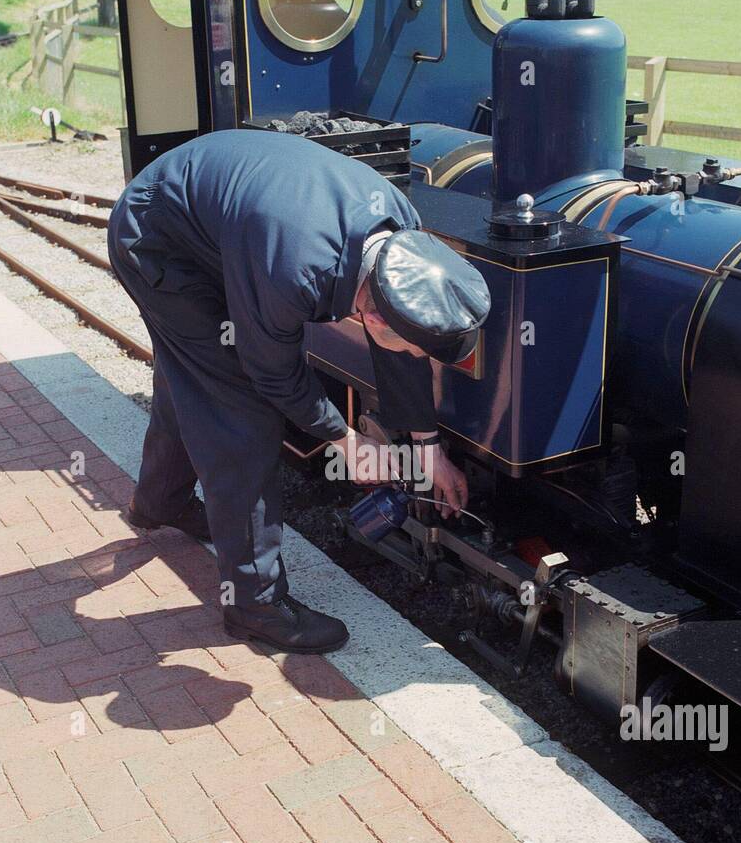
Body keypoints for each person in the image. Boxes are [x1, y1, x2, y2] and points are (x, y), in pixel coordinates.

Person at [107, 128, 490, 653]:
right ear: (370, 316)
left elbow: (399, 350)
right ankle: (254, 604)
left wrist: (428, 447)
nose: (413, 356)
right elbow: (273, 375)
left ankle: (158, 502)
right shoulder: (295, 269)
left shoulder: (401, 238)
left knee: (193, 380)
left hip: (226, 224)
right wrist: (346, 442)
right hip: (158, 241)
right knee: (238, 413)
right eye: (410, 346)